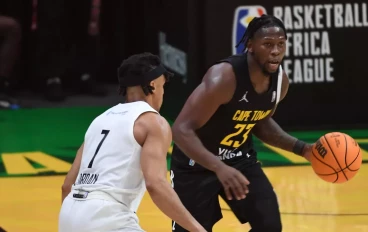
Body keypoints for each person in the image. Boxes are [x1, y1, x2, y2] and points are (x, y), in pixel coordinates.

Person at [170, 15, 313, 232]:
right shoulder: (224, 78)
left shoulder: (280, 82)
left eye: (281, 44)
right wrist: (218, 167)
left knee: (269, 225)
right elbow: (180, 130)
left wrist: (302, 149)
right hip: (195, 166)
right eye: (268, 44)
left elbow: (259, 122)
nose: (276, 51)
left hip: (239, 160)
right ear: (250, 46)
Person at [58, 52, 206, 232]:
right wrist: (198, 229)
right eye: (162, 86)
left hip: (69, 214)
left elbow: (67, 186)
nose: (163, 93)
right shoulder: (153, 122)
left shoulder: (99, 120)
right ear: (153, 85)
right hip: (107, 216)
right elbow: (156, 185)